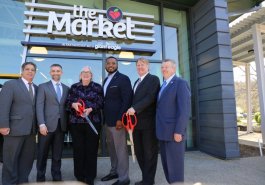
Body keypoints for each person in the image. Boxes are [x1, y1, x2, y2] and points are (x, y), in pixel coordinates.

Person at [0, 62, 38, 185]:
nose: (30, 71)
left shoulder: (36, 88)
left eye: (33, 69)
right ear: (22, 71)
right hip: (13, 129)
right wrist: (3, 125)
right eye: (27, 69)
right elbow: (3, 106)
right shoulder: (11, 84)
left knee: (26, 160)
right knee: (10, 161)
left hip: (31, 131)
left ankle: (22, 182)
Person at [66, 66, 103, 185]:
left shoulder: (97, 87)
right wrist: (73, 105)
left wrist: (91, 108)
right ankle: (80, 176)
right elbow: (67, 103)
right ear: (80, 75)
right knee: (78, 150)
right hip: (76, 124)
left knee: (91, 150)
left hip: (93, 122)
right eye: (83, 72)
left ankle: (90, 176)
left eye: (88, 73)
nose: (86, 74)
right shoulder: (74, 87)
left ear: (91, 75)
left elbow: (101, 102)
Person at [156, 59, 191, 184]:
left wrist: (179, 131)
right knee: (167, 166)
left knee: (175, 168)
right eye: (162, 67)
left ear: (174, 69)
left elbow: (184, 110)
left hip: (174, 133)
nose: (164, 69)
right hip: (163, 133)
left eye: (167, 67)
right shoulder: (163, 85)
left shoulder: (180, 83)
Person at [126, 58, 160, 185]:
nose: (140, 67)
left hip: (148, 124)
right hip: (135, 124)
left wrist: (134, 108)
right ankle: (145, 179)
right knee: (139, 152)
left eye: (142, 65)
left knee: (149, 153)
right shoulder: (136, 82)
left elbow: (150, 97)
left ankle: (149, 181)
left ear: (148, 66)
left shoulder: (153, 79)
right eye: (138, 65)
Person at [36, 64, 69, 182]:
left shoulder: (66, 88)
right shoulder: (43, 86)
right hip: (46, 126)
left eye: (58, 71)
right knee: (42, 154)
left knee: (57, 155)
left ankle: (56, 176)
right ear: (50, 73)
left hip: (61, 126)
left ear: (62, 73)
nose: (56, 73)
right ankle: (40, 178)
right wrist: (41, 124)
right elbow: (39, 106)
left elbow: (66, 107)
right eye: (54, 71)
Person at [101, 56, 132, 185]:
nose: (111, 65)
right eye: (108, 63)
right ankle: (114, 171)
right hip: (107, 122)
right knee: (112, 149)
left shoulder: (123, 79)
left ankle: (124, 178)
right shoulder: (105, 80)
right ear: (105, 65)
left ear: (117, 65)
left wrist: (120, 118)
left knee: (121, 150)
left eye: (113, 63)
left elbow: (127, 100)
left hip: (118, 122)